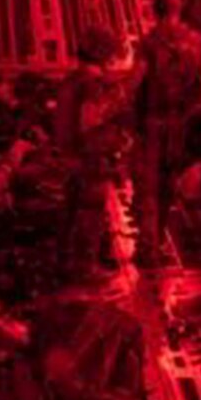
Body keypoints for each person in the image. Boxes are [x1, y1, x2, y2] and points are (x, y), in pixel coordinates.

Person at [132, 0, 201, 266]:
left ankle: (147, 249)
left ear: (155, 12)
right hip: (181, 126)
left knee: (148, 187)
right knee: (169, 185)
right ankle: (158, 241)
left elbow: (136, 83)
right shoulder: (199, 43)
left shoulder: (149, 44)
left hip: (153, 125)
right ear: (180, 10)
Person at [55, 24, 128, 275]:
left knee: (71, 210)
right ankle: (86, 267)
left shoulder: (71, 80)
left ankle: (65, 262)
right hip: (90, 159)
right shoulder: (93, 84)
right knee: (91, 211)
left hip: (70, 156)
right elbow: (91, 122)